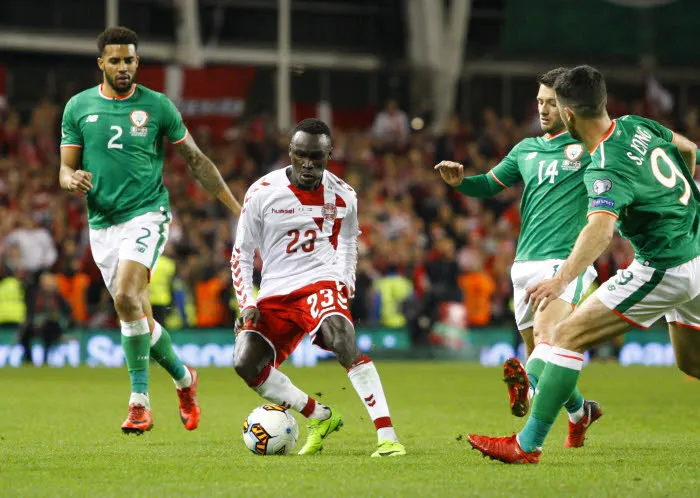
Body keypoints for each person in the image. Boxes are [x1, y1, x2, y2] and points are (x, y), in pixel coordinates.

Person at [467, 65, 700, 464]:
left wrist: (560, 280)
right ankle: (573, 417)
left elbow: (600, 231)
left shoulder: (605, 166)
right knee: (692, 361)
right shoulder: (637, 125)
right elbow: (690, 149)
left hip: (664, 266)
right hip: (694, 249)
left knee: (565, 336)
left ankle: (527, 445)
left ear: (569, 114)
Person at [58, 26, 242, 434]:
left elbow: (196, 160)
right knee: (137, 315)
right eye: (115, 60)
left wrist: (237, 209)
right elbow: (65, 169)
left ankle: (139, 403)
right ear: (101, 63)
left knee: (126, 297)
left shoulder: (157, 106)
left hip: (146, 214)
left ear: (137, 61)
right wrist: (72, 180)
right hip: (102, 224)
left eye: (129, 60)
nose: (123, 67)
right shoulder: (78, 107)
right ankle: (185, 379)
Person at [435, 68, 600, 447]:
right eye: (539, 102)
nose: (543, 109)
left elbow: (645, 153)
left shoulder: (591, 146)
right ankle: (580, 413)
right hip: (524, 265)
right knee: (540, 355)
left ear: (569, 106)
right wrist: (461, 183)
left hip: (565, 262)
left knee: (546, 339)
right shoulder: (526, 149)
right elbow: (488, 185)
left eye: (551, 103)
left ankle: (529, 418)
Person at [232, 118, 406, 458]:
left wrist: (344, 283)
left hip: (319, 282)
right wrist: (247, 303)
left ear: (329, 155)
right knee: (245, 362)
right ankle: (319, 415)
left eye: (316, 156)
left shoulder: (344, 195)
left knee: (341, 337)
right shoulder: (262, 192)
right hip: (275, 292)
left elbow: (349, 243)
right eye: (301, 155)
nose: (308, 164)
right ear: (290, 152)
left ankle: (387, 437)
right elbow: (242, 252)